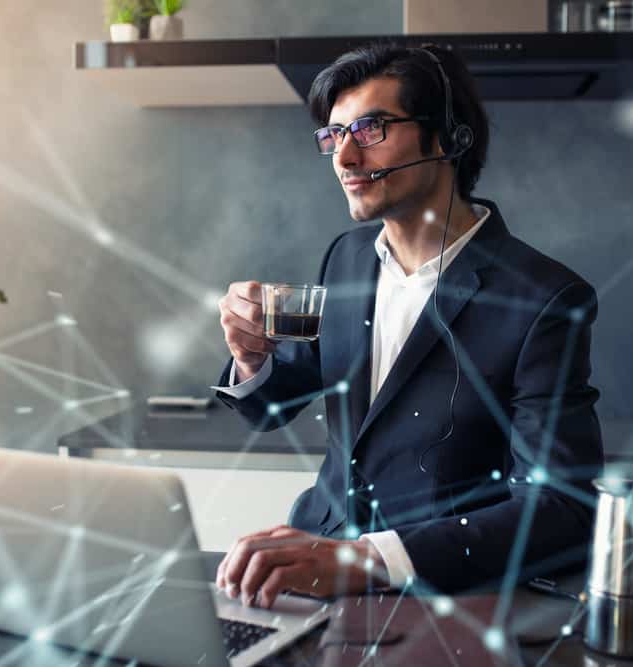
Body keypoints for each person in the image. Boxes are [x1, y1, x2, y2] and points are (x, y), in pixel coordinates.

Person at [212, 43, 603, 606]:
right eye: (333, 136)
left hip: (444, 597)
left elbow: (563, 509)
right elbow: (271, 402)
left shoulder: (546, 298)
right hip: (310, 571)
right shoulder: (345, 258)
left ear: (448, 136)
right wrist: (250, 358)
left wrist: (370, 559)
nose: (343, 159)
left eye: (369, 130)